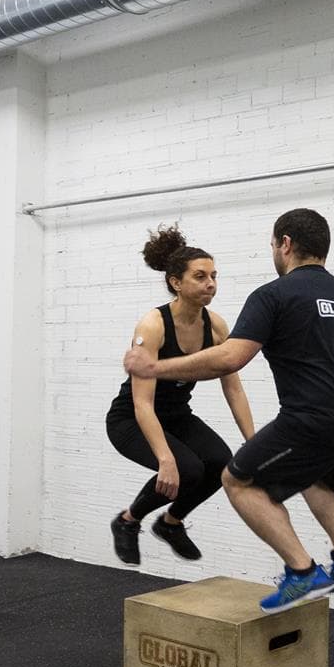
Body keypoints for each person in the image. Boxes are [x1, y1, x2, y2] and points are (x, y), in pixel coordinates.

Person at [123, 208, 334, 612]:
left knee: (238, 480)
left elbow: (230, 359)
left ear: (285, 244)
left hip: (318, 419)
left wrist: (155, 367)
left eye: (273, 244)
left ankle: (301, 573)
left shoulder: (274, 294)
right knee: (317, 478)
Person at [107, 225, 255, 565]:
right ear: (176, 282)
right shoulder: (153, 325)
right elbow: (142, 402)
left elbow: (233, 387)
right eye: (200, 277)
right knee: (185, 469)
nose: (211, 284)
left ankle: (171, 524)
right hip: (131, 418)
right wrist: (165, 458)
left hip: (176, 416)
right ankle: (128, 521)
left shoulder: (216, 326)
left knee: (220, 463)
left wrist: (253, 441)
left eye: (214, 276)